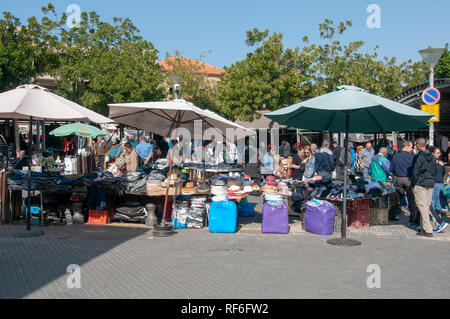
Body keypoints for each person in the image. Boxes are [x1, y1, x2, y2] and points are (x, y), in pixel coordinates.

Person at [390, 141, 419, 228]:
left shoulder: (395, 157)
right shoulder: (411, 157)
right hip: (408, 179)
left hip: (398, 178)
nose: (412, 149)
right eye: (411, 147)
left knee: (397, 197)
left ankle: (391, 214)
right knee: (411, 199)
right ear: (406, 147)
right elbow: (414, 169)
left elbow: (391, 169)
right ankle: (413, 218)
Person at [412, 138, 437, 238]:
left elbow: (415, 171)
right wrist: (432, 179)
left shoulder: (419, 157)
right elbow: (435, 170)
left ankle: (428, 229)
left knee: (422, 206)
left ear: (418, 145)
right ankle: (423, 228)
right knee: (426, 205)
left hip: (420, 183)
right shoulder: (432, 156)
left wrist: (414, 183)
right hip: (430, 182)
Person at [429, 146, 449, 233]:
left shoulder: (439, 163)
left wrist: (442, 166)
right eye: (437, 153)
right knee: (435, 204)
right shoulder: (431, 162)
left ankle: (439, 223)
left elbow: (444, 172)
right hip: (434, 183)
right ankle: (438, 222)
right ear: (432, 153)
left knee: (437, 204)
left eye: (439, 153)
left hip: (439, 184)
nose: (439, 154)